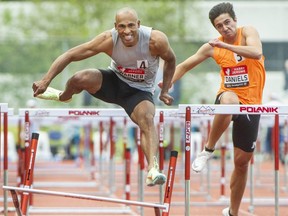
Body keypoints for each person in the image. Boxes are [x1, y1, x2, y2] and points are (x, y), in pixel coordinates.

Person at [32, 7, 176, 187]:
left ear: (139, 25)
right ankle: (63, 96)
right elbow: (70, 55)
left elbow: (171, 60)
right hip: (113, 81)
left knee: (147, 119)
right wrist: (46, 80)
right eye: (122, 27)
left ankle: (153, 169)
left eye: (131, 26)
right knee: (80, 78)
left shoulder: (156, 40)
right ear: (115, 27)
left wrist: (164, 91)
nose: (127, 31)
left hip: (139, 92)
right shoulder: (108, 39)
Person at [160, 2, 266, 215]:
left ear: (235, 21)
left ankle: (232, 212)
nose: (225, 28)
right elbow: (184, 66)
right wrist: (167, 84)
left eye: (227, 22)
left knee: (242, 162)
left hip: (252, 104)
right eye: (219, 26)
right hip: (228, 96)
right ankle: (208, 150)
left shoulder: (247, 32)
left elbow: (255, 52)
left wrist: (227, 46)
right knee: (229, 100)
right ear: (215, 29)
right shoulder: (212, 46)